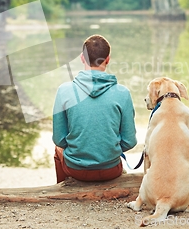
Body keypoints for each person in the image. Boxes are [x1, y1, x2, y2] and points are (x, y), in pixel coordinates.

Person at [52, 34, 137, 183]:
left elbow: (59, 140)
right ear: (108, 59)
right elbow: (129, 141)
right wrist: (107, 150)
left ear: (82, 58)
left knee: (58, 151)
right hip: (111, 170)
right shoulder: (123, 93)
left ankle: (63, 189)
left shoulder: (64, 90)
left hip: (75, 169)